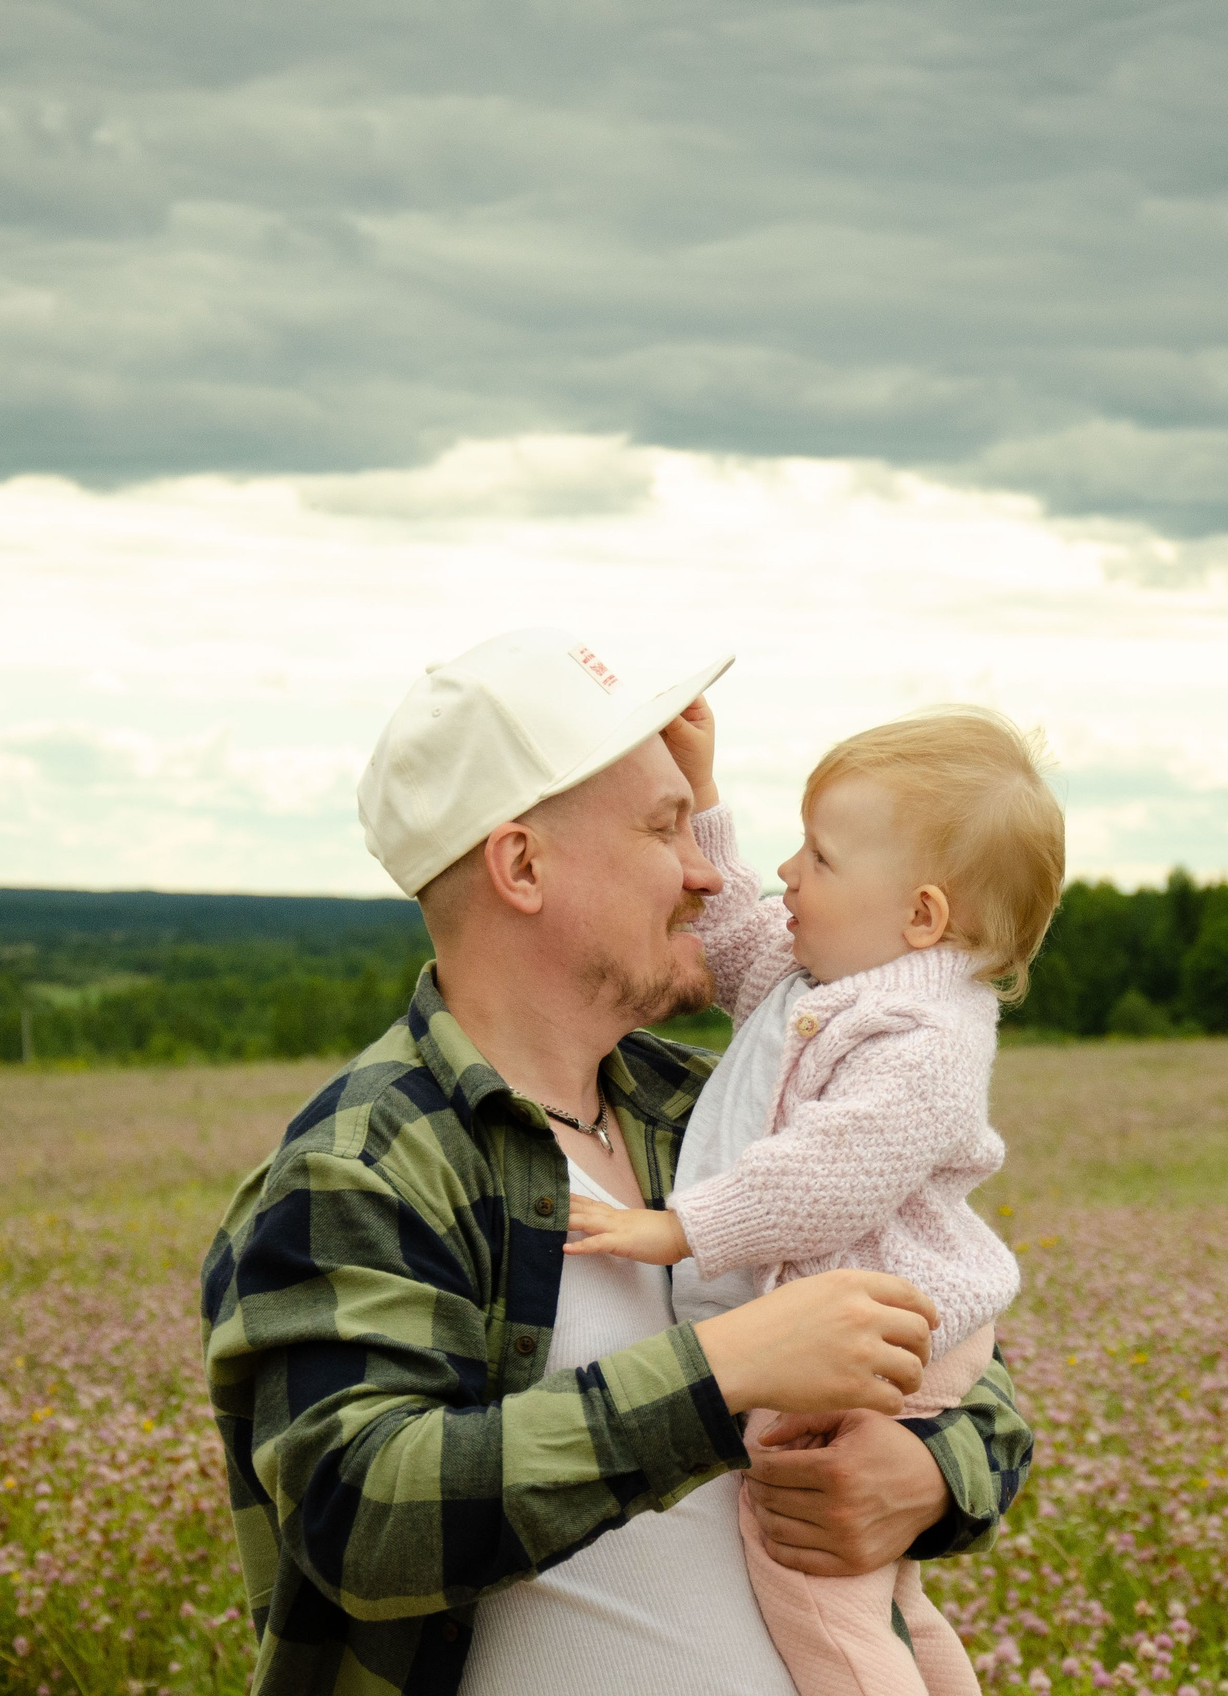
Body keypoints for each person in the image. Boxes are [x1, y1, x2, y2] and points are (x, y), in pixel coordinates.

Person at [200, 630, 1034, 1696]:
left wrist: (926, 1472)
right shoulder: (368, 1162)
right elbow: (358, 1519)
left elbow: (970, 1366)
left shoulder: (702, 1105)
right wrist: (720, 1369)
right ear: (522, 865)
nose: (706, 870)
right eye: (662, 827)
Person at [566, 700, 1064, 1696]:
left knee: (809, 1590)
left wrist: (677, 1227)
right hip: (882, 1325)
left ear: (920, 915)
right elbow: (740, 933)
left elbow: (830, 1172)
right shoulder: (825, 985)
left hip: (886, 1336)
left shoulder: (927, 1038)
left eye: (822, 858)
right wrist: (704, 795)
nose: (789, 871)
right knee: (883, 1600)